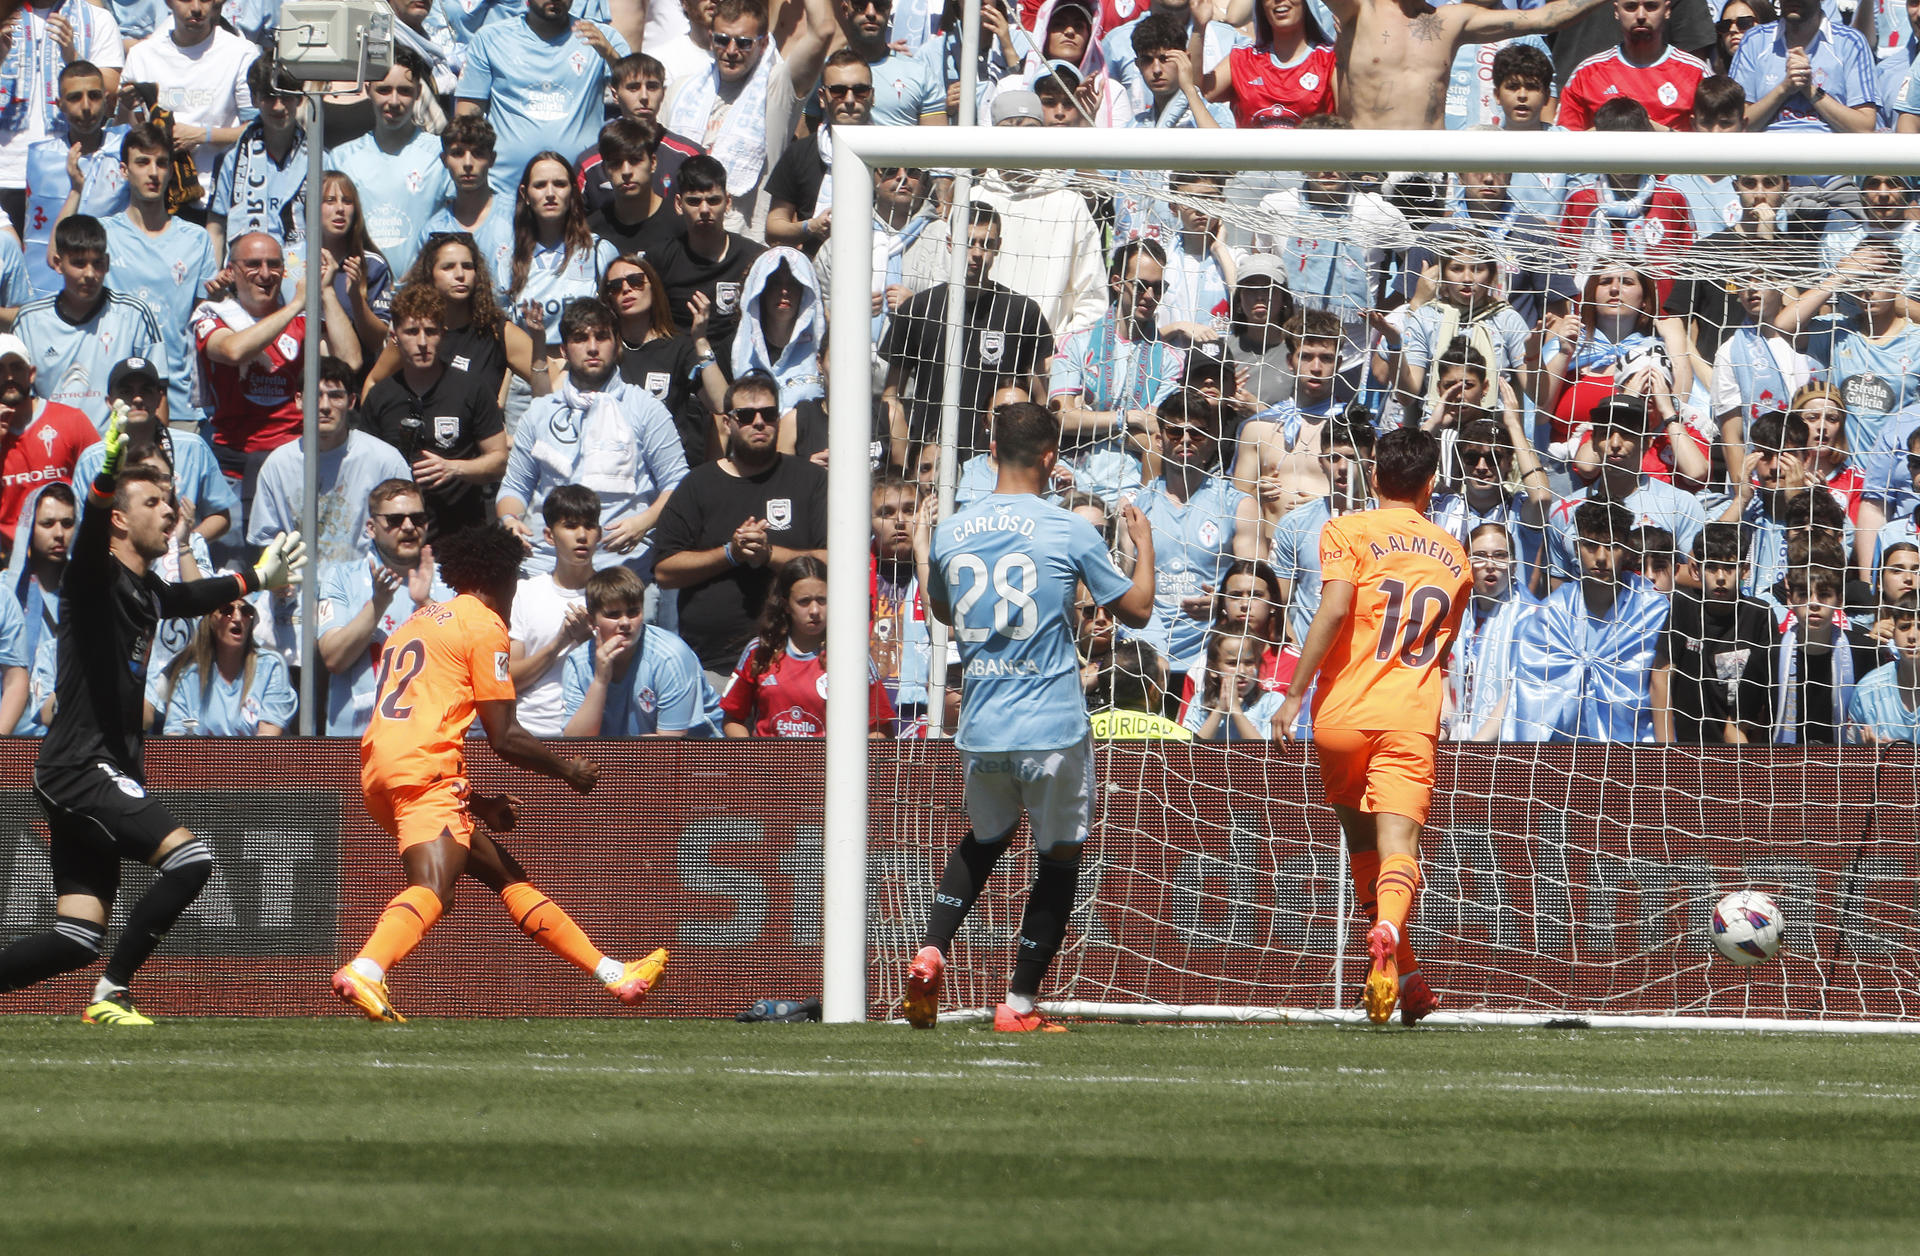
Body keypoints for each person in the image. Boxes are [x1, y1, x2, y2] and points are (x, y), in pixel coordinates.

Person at [0, 408, 303, 1025]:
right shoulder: (93, 575)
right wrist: (104, 474)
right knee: (192, 860)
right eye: (154, 503)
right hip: (81, 766)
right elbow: (87, 539)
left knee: (77, 935)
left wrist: (252, 576)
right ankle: (112, 994)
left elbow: (185, 597)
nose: (171, 510)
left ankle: (98, 980)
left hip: (90, 769)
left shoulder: (144, 590)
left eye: (171, 500)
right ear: (119, 519)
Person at [332, 524, 668, 1023]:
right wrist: (567, 768)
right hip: (423, 771)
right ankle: (367, 967)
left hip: (383, 769)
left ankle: (613, 973)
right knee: (434, 886)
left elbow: (429, 710)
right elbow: (505, 735)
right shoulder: (484, 625)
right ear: (501, 578)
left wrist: (478, 802)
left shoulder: (418, 620)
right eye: (515, 579)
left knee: (505, 874)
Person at [902, 400, 1156, 1033]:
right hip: (1050, 724)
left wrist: (921, 550)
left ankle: (932, 949)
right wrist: (1143, 547)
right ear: (1051, 458)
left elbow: (940, 610)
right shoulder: (1068, 529)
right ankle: (1018, 1004)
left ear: (990, 453)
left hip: (981, 724)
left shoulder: (954, 530)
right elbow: (1138, 612)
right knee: (1060, 857)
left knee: (985, 841)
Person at [1271, 427, 1467, 1024]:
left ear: (1373, 476)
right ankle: (1388, 928)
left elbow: (1333, 606)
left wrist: (1293, 692)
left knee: (1361, 845)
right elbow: (1441, 646)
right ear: (1431, 484)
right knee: (1400, 850)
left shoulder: (1345, 529)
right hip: (1408, 715)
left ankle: (1406, 977)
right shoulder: (1454, 556)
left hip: (1340, 717)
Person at [652, 371, 829, 680]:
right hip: (712, 664)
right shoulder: (698, 484)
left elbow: (836, 561)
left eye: (769, 413)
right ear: (727, 423)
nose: (759, 422)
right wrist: (730, 554)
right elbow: (664, 571)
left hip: (799, 664)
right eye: (746, 415)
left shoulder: (811, 480)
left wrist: (768, 554)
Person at [497, 297, 688, 579]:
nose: (592, 347)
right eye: (580, 339)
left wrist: (644, 522)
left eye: (602, 337)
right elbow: (514, 487)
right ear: (564, 349)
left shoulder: (646, 408)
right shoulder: (539, 412)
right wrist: (509, 519)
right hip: (546, 566)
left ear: (617, 344)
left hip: (623, 566)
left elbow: (678, 481)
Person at [194, 231, 362, 507]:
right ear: (231, 271)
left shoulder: (302, 323)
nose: (265, 273)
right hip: (233, 466)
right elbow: (233, 351)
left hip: (293, 459)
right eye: (253, 264)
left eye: (274, 264)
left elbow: (350, 362)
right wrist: (297, 303)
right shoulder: (212, 315)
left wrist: (326, 291)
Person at [881, 202, 1052, 459]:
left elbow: (1042, 401)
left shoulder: (1022, 312)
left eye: (986, 243)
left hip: (1001, 459)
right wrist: (904, 462)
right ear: (950, 243)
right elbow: (891, 396)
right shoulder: (918, 308)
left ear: (998, 246)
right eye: (968, 242)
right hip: (932, 456)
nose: (976, 253)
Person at [658, 0, 833, 234]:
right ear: (711, 38)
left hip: (746, 242)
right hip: (683, 239)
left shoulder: (777, 88)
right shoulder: (681, 91)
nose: (731, 51)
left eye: (743, 43)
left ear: (762, 45)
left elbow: (823, 30)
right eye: (722, 40)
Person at [1295, 0, 1609, 130]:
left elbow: (1547, 17)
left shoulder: (1450, 20)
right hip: (1366, 171)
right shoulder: (1357, 11)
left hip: (1429, 173)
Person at [1511, 499, 1673, 742]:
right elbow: (1527, 693)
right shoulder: (1551, 613)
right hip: (1563, 757)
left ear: (1627, 549)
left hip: (1634, 751)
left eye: (1611, 546)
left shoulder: (1655, 610)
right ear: (1576, 549)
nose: (1601, 558)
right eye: (1590, 545)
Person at [1125, 388, 1257, 682]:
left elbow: (1256, 586)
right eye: (1175, 432)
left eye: (1197, 434)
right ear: (1159, 440)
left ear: (1210, 442)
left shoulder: (1237, 505)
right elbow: (1123, 584)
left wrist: (1223, 602)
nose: (1186, 440)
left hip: (1211, 657)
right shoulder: (1136, 509)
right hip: (1148, 654)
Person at [359, 284, 509, 539]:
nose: (422, 342)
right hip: (398, 538)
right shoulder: (380, 396)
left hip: (461, 534)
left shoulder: (472, 389)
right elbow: (365, 471)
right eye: (411, 332)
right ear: (394, 336)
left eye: (431, 331)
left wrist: (454, 468)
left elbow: (499, 460)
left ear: (444, 333)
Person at [1048, 238, 1185, 504]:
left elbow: (1153, 438)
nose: (1150, 296)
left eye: (1158, 288)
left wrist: (1088, 418)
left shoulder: (1170, 359)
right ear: (1117, 282)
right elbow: (1062, 419)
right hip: (1072, 480)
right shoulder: (1076, 343)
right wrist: (1130, 417)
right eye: (1141, 285)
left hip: (1133, 489)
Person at [103, 122, 218, 429]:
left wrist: (222, 298)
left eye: (162, 163)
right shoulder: (103, 236)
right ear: (124, 171)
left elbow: (205, 320)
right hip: (116, 399)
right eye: (143, 162)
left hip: (180, 402)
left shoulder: (196, 239)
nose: (153, 172)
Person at [453, 0, 631, 197]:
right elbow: (467, 118)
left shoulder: (601, 37)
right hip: (504, 191)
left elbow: (636, 99)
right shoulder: (490, 38)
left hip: (582, 194)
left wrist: (611, 56)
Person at [315, 479, 450, 735]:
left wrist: (428, 604)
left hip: (428, 741)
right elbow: (333, 658)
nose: (409, 527)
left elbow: (465, 658)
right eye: (395, 520)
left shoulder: (450, 581)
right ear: (371, 527)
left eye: (418, 518)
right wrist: (378, 604)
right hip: (356, 742)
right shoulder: (341, 578)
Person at [250, 358, 412, 569]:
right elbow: (266, 540)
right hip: (298, 591)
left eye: (335, 396)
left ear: (352, 402)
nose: (325, 406)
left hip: (366, 590)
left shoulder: (385, 461)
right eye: (316, 396)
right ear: (299, 400)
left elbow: (407, 530)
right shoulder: (277, 466)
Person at [969, 91, 1105, 338]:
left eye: (1029, 130)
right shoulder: (972, 200)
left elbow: (1092, 298)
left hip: (1049, 362)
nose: (1020, 141)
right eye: (1010, 130)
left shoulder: (1069, 204)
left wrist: (1060, 353)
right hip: (976, 358)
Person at [13, 213, 165, 428]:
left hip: (117, 449)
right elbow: (19, 400)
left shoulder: (135, 315)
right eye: (79, 263)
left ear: (108, 263)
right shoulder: (29, 321)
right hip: (52, 450)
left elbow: (159, 393)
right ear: (58, 263)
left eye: (97, 263)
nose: (90, 274)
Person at [363, 232, 547, 410]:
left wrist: (516, 436)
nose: (460, 274)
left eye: (467, 266)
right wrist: (372, 436)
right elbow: (374, 382)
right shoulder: (414, 331)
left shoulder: (497, 330)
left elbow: (553, 382)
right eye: (448, 267)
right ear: (430, 274)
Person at [720, 554, 894, 737]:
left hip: (829, 766)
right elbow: (733, 718)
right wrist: (754, 759)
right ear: (786, 605)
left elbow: (879, 728)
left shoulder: (852, 656)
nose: (814, 611)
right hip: (769, 765)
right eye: (804, 602)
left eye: (822, 600)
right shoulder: (760, 651)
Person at [71, 356, 236, 546]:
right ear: (110, 401)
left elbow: (221, 516)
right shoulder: (92, 460)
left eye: (146, 391)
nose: (137, 398)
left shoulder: (193, 447)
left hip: (180, 566)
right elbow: (82, 529)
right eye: (126, 391)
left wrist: (182, 545)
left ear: (159, 398)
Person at [0, 0, 124, 240]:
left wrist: (74, 58)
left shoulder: (97, 19)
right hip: (5, 174)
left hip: (68, 174)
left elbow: (110, 93)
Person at [326, 47, 448, 279]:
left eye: (404, 91)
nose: (394, 101)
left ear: (418, 93)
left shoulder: (440, 154)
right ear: (367, 88)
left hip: (422, 293)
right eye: (384, 90)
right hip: (363, 291)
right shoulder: (341, 158)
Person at [560, 564, 723, 735]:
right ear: (591, 621)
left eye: (633, 612)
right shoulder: (578, 662)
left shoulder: (670, 657)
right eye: (613, 614)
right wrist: (600, 681)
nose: (625, 622)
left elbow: (668, 748)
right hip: (625, 757)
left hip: (702, 756)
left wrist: (605, 752)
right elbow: (576, 743)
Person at [119, 0, 258, 200]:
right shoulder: (142, 55)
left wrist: (202, 135)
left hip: (218, 195)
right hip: (158, 197)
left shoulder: (242, 52)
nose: (196, 8)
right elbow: (127, 131)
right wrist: (127, 108)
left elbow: (255, 129)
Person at [605, 253, 729, 470]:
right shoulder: (601, 349)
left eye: (635, 281)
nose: (626, 289)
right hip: (613, 468)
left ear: (653, 287)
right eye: (615, 286)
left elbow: (720, 403)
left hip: (666, 470)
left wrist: (700, 340)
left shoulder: (679, 348)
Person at [1662, 522, 1778, 744]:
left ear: (1745, 570)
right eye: (1712, 567)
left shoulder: (1759, 615)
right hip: (1687, 745)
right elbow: (1662, 676)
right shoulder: (1683, 607)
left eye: (1729, 568)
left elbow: (1765, 694)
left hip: (1739, 744)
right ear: (1695, 570)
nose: (1721, 577)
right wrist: (1666, 746)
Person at [651, 155, 766, 374]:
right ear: (678, 204)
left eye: (713, 200)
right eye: (694, 201)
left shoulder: (754, 258)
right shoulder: (660, 259)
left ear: (728, 202)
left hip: (740, 372)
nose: (704, 209)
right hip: (680, 373)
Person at [23, 61, 127, 300]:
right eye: (74, 98)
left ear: (107, 99)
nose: (86, 107)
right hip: (52, 286)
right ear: (59, 104)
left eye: (94, 96)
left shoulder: (125, 147)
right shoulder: (43, 158)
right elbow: (35, 236)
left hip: (114, 281)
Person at [508, 484, 601, 736]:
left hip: (591, 733)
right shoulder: (524, 593)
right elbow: (509, 680)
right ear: (549, 535)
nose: (582, 536)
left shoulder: (613, 594)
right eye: (570, 526)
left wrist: (585, 639)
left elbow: (624, 677)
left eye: (589, 526)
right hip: (528, 731)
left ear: (599, 533)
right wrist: (559, 642)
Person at [205, 57, 305, 267]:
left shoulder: (319, 159)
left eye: (286, 96)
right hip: (246, 277)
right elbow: (216, 228)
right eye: (269, 96)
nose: (278, 107)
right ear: (253, 98)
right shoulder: (231, 159)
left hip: (301, 276)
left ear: (300, 97)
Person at [0, 333, 96, 549]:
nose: (8, 377)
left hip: (69, 554)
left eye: (16, 367)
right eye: (0, 369)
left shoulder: (71, 421)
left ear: (31, 373)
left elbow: (102, 487)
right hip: (8, 562)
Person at [578, 53, 706, 212]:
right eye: (633, 87)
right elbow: (574, 226)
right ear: (615, 94)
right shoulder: (590, 164)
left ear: (663, 93)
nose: (644, 96)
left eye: (652, 87)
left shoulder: (689, 156)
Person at [1445, 521, 1537, 741]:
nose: (1490, 564)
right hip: (1454, 734)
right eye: (1480, 555)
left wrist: (1477, 747)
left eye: (1500, 555)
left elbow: (1517, 692)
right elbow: (1443, 680)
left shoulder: (1532, 616)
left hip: (1505, 745)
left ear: (1514, 566)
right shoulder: (1453, 611)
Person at [1555, 0, 1708, 130]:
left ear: (1667, 10)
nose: (1641, 16)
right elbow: (1564, 141)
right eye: (1630, 7)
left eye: (1651, 6)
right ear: (1616, 11)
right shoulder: (1586, 73)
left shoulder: (1696, 72)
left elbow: (1715, 141)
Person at [152, 596, 295, 735]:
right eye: (227, 610)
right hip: (202, 758)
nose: (238, 618)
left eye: (246, 611)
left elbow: (267, 739)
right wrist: (194, 725)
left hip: (255, 759)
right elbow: (177, 731)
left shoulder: (270, 667)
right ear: (211, 620)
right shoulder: (189, 676)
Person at [1729, 0, 1877, 133]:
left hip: (1830, 154)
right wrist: (1784, 89)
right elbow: (1733, 124)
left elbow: (1864, 127)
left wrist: (1810, 90)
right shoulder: (1755, 41)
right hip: (1768, 154)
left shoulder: (1850, 42)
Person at [1189, 0, 1334, 129]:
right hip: (1250, 158)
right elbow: (1198, 91)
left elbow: (1349, 119)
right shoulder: (1243, 58)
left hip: (1311, 158)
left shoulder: (1330, 60)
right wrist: (1199, 29)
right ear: (1261, 6)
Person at [417, 116, 516, 292]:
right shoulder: (433, 231)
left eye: (478, 154)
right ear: (444, 159)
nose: (468, 163)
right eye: (457, 153)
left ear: (492, 159)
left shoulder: (516, 215)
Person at [583, 119, 681, 260]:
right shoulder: (592, 232)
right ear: (604, 170)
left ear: (653, 163)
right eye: (616, 163)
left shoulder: (680, 227)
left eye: (635, 160)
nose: (626, 171)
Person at [1182, 629, 1283, 741]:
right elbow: (1192, 752)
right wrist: (1220, 710)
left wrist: (1235, 710)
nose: (1242, 671)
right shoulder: (1200, 701)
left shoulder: (1272, 701)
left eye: (1249, 662)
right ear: (1213, 669)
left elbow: (1264, 753)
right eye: (1232, 663)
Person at [1850, 594, 1920, 742]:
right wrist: (1867, 755)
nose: (1912, 636)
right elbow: (1848, 757)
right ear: (1893, 633)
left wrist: (1895, 758)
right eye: (1904, 627)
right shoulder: (1867, 691)